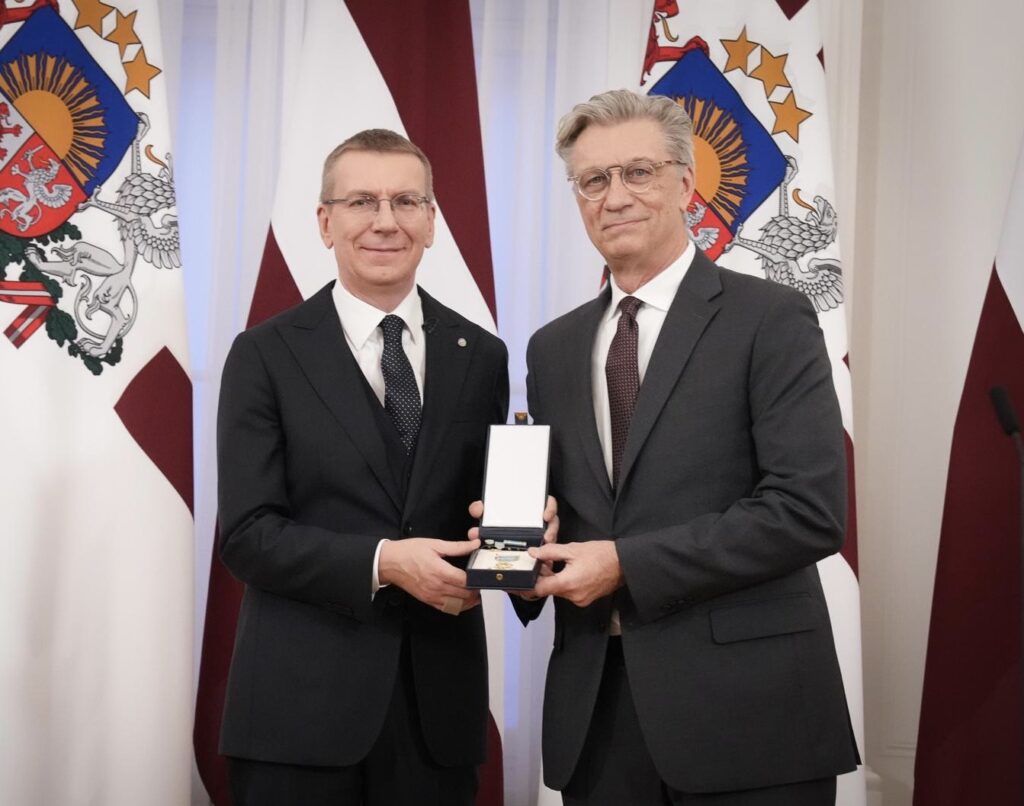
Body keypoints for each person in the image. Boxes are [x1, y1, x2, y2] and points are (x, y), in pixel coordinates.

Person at [521, 89, 860, 805]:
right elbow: (572, 516)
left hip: (750, 717)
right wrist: (522, 546)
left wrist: (623, 565)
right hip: (599, 721)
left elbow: (807, 510)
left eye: (637, 172)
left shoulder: (771, 319)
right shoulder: (551, 349)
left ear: (685, 182)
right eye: (594, 180)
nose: (615, 197)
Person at [216, 129, 508, 805]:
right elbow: (249, 533)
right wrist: (385, 562)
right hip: (297, 718)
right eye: (361, 202)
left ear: (432, 222)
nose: (385, 221)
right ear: (326, 222)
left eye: (406, 201)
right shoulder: (264, 354)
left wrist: (518, 548)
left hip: (439, 715)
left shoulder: (482, 355)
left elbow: (487, 514)